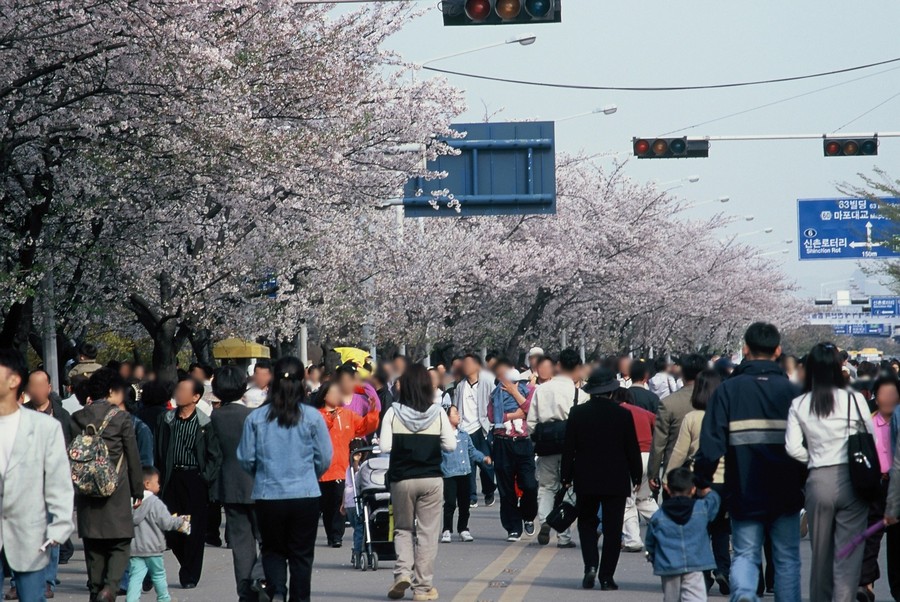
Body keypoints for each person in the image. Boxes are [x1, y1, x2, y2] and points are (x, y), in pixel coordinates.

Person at [695, 322, 806, 602]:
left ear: (745, 349)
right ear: (778, 350)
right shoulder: (793, 393)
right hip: (787, 489)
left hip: (744, 487)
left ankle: (744, 595)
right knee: (787, 558)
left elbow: (710, 445)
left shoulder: (727, 391)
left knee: (745, 553)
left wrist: (702, 481)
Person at [238, 356, 332, 602]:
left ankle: (278, 590)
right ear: (303, 382)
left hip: (269, 495)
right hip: (305, 494)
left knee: (272, 550)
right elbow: (324, 457)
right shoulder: (312, 417)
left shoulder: (256, 418)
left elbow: (246, 458)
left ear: (272, 382)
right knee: (301, 556)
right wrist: (312, 475)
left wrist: (261, 475)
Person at [785, 342, 874, 602]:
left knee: (820, 555)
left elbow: (791, 448)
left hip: (818, 481)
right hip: (853, 480)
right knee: (847, 556)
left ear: (809, 368)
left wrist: (813, 457)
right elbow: (870, 437)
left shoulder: (800, 403)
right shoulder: (855, 399)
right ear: (838, 368)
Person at [0, 348, 74, 602]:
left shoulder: (45, 427)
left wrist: (60, 525)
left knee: (32, 597)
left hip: (30, 533)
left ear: (13, 380)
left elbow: (58, 480)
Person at [562, 366, 642, 591]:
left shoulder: (577, 413)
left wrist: (565, 477)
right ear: (611, 391)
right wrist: (636, 475)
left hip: (586, 476)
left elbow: (569, 448)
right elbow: (632, 449)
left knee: (587, 523)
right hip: (616, 478)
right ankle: (607, 576)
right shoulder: (623, 414)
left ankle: (590, 566)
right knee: (613, 527)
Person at [381, 364, 456, 602]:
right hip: (431, 479)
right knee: (427, 533)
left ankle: (402, 573)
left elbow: (384, 446)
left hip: (402, 479)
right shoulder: (437, 412)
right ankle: (423, 588)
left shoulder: (393, 412)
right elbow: (450, 445)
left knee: (403, 528)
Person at [71, 367, 144, 602]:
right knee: (120, 543)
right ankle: (110, 587)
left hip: (85, 489)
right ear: (112, 391)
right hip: (116, 488)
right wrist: (137, 489)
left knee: (93, 546)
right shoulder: (121, 418)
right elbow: (132, 456)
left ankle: (95, 589)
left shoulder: (78, 417)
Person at [666, 369, 730, 595]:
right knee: (722, 529)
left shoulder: (692, 418)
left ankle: (703, 573)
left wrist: (669, 477)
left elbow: (679, 452)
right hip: (725, 481)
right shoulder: (727, 416)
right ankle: (723, 569)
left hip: (698, 481)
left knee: (701, 530)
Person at [154, 376, 222, 588]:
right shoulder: (166, 420)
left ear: (195, 397)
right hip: (171, 478)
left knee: (193, 529)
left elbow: (215, 456)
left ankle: (190, 575)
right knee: (171, 528)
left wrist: (205, 477)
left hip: (195, 479)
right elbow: (159, 450)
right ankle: (186, 563)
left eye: (184, 390)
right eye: (178, 389)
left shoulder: (205, 423)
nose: (179, 393)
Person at [209, 365, 265, 602]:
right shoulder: (254, 417)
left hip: (229, 485)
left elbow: (212, 454)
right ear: (243, 387)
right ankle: (260, 577)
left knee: (241, 543)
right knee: (269, 539)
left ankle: (245, 592)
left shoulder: (214, 418)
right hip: (259, 484)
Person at [528, 348, 588, 549]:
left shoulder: (542, 390)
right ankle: (563, 537)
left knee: (546, 487)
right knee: (569, 490)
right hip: (571, 447)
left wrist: (537, 439)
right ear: (577, 368)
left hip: (546, 446)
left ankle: (545, 520)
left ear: (558, 365)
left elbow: (531, 422)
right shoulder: (580, 393)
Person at [314, 381, 379, 547]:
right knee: (327, 504)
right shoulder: (316, 415)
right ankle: (331, 533)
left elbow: (364, 426)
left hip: (341, 467)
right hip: (321, 469)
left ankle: (336, 536)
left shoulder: (347, 414)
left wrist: (372, 411)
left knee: (338, 501)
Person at [644, 467, 721, 602]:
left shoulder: (659, 516)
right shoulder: (701, 508)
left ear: (667, 489)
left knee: (671, 598)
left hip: (669, 565)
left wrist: (653, 557)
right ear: (693, 489)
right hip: (695, 562)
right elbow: (714, 501)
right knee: (695, 597)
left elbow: (650, 542)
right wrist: (705, 489)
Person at [858, 377, 900, 601]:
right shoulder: (869, 421)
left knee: (895, 540)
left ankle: (896, 586)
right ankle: (866, 584)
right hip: (877, 483)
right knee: (871, 537)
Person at [487, 362, 537, 542]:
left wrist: (515, 392)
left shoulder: (529, 390)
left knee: (530, 485)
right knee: (506, 488)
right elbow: (493, 417)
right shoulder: (496, 394)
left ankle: (528, 515)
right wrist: (517, 415)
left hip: (524, 442)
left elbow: (532, 410)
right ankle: (513, 527)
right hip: (502, 442)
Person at [126, 467, 190, 602]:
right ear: (147, 484)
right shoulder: (155, 503)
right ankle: (163, 598)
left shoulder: (132, 502)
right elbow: (166, 522)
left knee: (136, 577)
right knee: (158, 575)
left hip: (136, 548)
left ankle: (131, 599)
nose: (159, 484)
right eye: (157, 482)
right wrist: (180, 521)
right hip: (154, 548)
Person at [648, 354, 707, 494]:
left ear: (682, 373)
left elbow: (659, 442)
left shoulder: (669, 403)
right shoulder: (715, 400)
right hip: (708, 471)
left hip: (675, 474)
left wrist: (654, 473)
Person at [611, 387, 658, 554]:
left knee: (626, 501)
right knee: (644, 499)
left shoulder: (616, 412)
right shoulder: (643, 412)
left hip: (630, 459)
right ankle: (668, 528)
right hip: (649, 457)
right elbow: (658, 423)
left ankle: (633, 540)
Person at [451, 354, 496, 508]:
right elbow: (455, 406)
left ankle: (489, 490)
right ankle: (472, 496)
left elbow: (495, 402)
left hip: (482, 428)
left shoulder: (487, 383)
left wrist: (493, 423)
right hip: (465, 429)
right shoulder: (460, 386)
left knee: (486, 463)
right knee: (468, 465)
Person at [441, 405, 490, 543]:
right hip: (449, 474)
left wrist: (483, 458)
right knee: (450, 503)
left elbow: (472, 451)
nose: (459, 415)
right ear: (447, 417)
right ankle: (446, 529)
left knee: (464, 504)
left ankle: (463, 529)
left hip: (465, 473)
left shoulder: (464, 434)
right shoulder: (442, 436)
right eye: (455, 413)